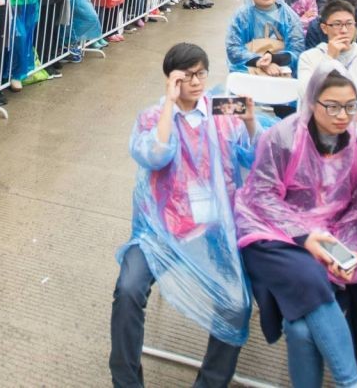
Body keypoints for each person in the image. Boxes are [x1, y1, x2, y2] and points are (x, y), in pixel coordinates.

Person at [110, 43, 257, 388]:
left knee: (237, 305)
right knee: (128, 290)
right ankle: (126, 382)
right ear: (171, 79)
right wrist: (169, 106)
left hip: (213, 230)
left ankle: (210, 383)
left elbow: (254, 156)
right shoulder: (152, 116)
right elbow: (155, 155)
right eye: (186, 75)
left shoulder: (222, 107)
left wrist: (250, 123)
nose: (196, 82)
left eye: (201, 73)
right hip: (161, 230)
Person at [234, 69, 357, 388]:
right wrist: (305, 235)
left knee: (300, 328)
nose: (342, 115)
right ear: (312, 101)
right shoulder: (283, 136)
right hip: (270, 232)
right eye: (332, 106)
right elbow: (261, 195)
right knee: (310, 277)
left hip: (329, 235)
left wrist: (349, 250)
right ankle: (351, 382)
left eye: (350, 106)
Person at [297, 0, 357, 127]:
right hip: (320, 126)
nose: (344, 30)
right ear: (324, 28)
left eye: (349, 24)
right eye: (337, 24)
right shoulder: (309, 57)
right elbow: (306, 95)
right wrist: (329, 59)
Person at [226, 0, 304, 77]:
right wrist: (259, 62)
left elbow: (297, 50)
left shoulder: (289, 16)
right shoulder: (242, 16)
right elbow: (233, 48)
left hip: (282, 69)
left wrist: (273, 59)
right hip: (249, 69)